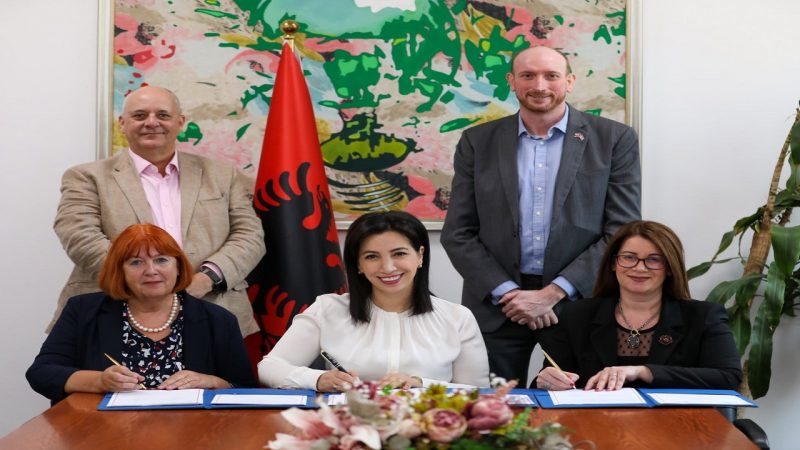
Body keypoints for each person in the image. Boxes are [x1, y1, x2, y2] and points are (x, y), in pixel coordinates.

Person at [441, 45, 641, 385]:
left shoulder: (614, 139)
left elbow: (622, 231)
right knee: (493, 408)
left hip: (579, 302)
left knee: (581, 406)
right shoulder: (477, 141)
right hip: (497, 306)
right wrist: (509, 294)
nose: (540, 85)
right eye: (528, 75)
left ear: (570, 82)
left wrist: (553, 293)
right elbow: (458, 232)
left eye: (551, 76)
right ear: (511, 81)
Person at [50, 85, 265, 337]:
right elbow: (79, 236)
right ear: (122, 123)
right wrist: (142, 282)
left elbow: (249, 235)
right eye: (140, 115)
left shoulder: (222, 175)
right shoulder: (86, 177)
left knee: (213, 368)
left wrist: (207, 279)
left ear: (180, 122)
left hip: (211, 308)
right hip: (112, 311)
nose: (152, 122)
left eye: (162, 115)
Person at [258, 211, 490, 391]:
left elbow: (479, 392)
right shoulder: (327, 309)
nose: (388, 267)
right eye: (372, 257)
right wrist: (317, 379)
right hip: (348, 425)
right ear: (358, 264)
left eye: (399, 254)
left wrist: (421, 384)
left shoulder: (457, 317)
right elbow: (269, 367)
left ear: (420, 256)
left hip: (428, 426)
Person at [27, 224, 256, 404]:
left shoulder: (218, 319)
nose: (151, 270)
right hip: (101, 431)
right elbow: (42, 373)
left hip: (193, 433)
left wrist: (212, 381)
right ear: (120, 271)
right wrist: (100, 381)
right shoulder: (83, 310)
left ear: (178, 267)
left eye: (161, 260)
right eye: (136, 262)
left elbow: (245, 390)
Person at [534, 221, 742, 391]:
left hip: (676, 423)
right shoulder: (577, 315)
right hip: (594, 422)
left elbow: (728, 377)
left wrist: (644, 371)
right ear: (613, 263)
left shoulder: (703, 316)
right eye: (629, 258)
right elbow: (550, 378)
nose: (640, 268)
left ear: (670, 267)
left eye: (654, 260)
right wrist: (546, 380)